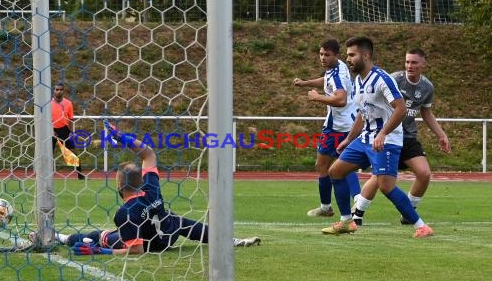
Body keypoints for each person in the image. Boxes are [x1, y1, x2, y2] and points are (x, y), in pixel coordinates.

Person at [30, 120, 261, 255]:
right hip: (169, 235)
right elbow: (149, 153)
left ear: (119, 185)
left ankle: (59, 237)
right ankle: (227, 240)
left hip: (152, 245)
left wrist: (103, 252)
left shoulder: (126, 212)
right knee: (180, 222)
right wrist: (121, 137)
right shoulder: (152, 186)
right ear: (140, 179)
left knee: (98, 237)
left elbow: (136, 250)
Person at [322, 36, 434, 238]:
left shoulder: (382, 78)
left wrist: (383, 133)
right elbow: (362, 114)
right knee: (335, 171)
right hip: (365, 138)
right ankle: (347, 221)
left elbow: (400, 109)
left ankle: (421, 226)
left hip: (387, 141)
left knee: (386, 186)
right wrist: (349, 139)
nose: (348, 59)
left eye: (352, 55)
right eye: (348, 55)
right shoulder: (358, 81)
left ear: (365, 55)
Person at [352, 48, 451, 225]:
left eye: (414, 62)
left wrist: (441, 135)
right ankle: (357, 214)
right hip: (388, 137)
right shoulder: (393, 79)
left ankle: (409, 212)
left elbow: (426, 112)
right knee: (379, 178)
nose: (409, 66)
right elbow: (370, 105)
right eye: (407, 62)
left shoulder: (427, 87)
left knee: (424, 173)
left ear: (423, 64)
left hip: (408, 138)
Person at [292, 38, 361, 218]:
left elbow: (340, 99)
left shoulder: (338, 74)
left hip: (341, 127)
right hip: (337, 125)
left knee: (341, 167)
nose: (323, 58)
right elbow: (326, 80)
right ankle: (327, 207)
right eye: (321, 54)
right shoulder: (337, 67)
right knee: (324, 164)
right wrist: (305, 83)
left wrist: (316, 97)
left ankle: (356, 203)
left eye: (327, 55)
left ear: (336, 55)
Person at [51, 82, 85, 180]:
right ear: (54, 91)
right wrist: (50, 130)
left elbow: (70, 119)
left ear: (63, 91)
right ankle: (47, 175)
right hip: (51, 130)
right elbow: (46, 119)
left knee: (73, 152)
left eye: (61, 90)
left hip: (64, 130)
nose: (58, 91)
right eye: (57, 89)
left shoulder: (68, 103)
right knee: (48, 153)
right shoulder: (48, 104)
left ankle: (80, 174)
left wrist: (71, 132)